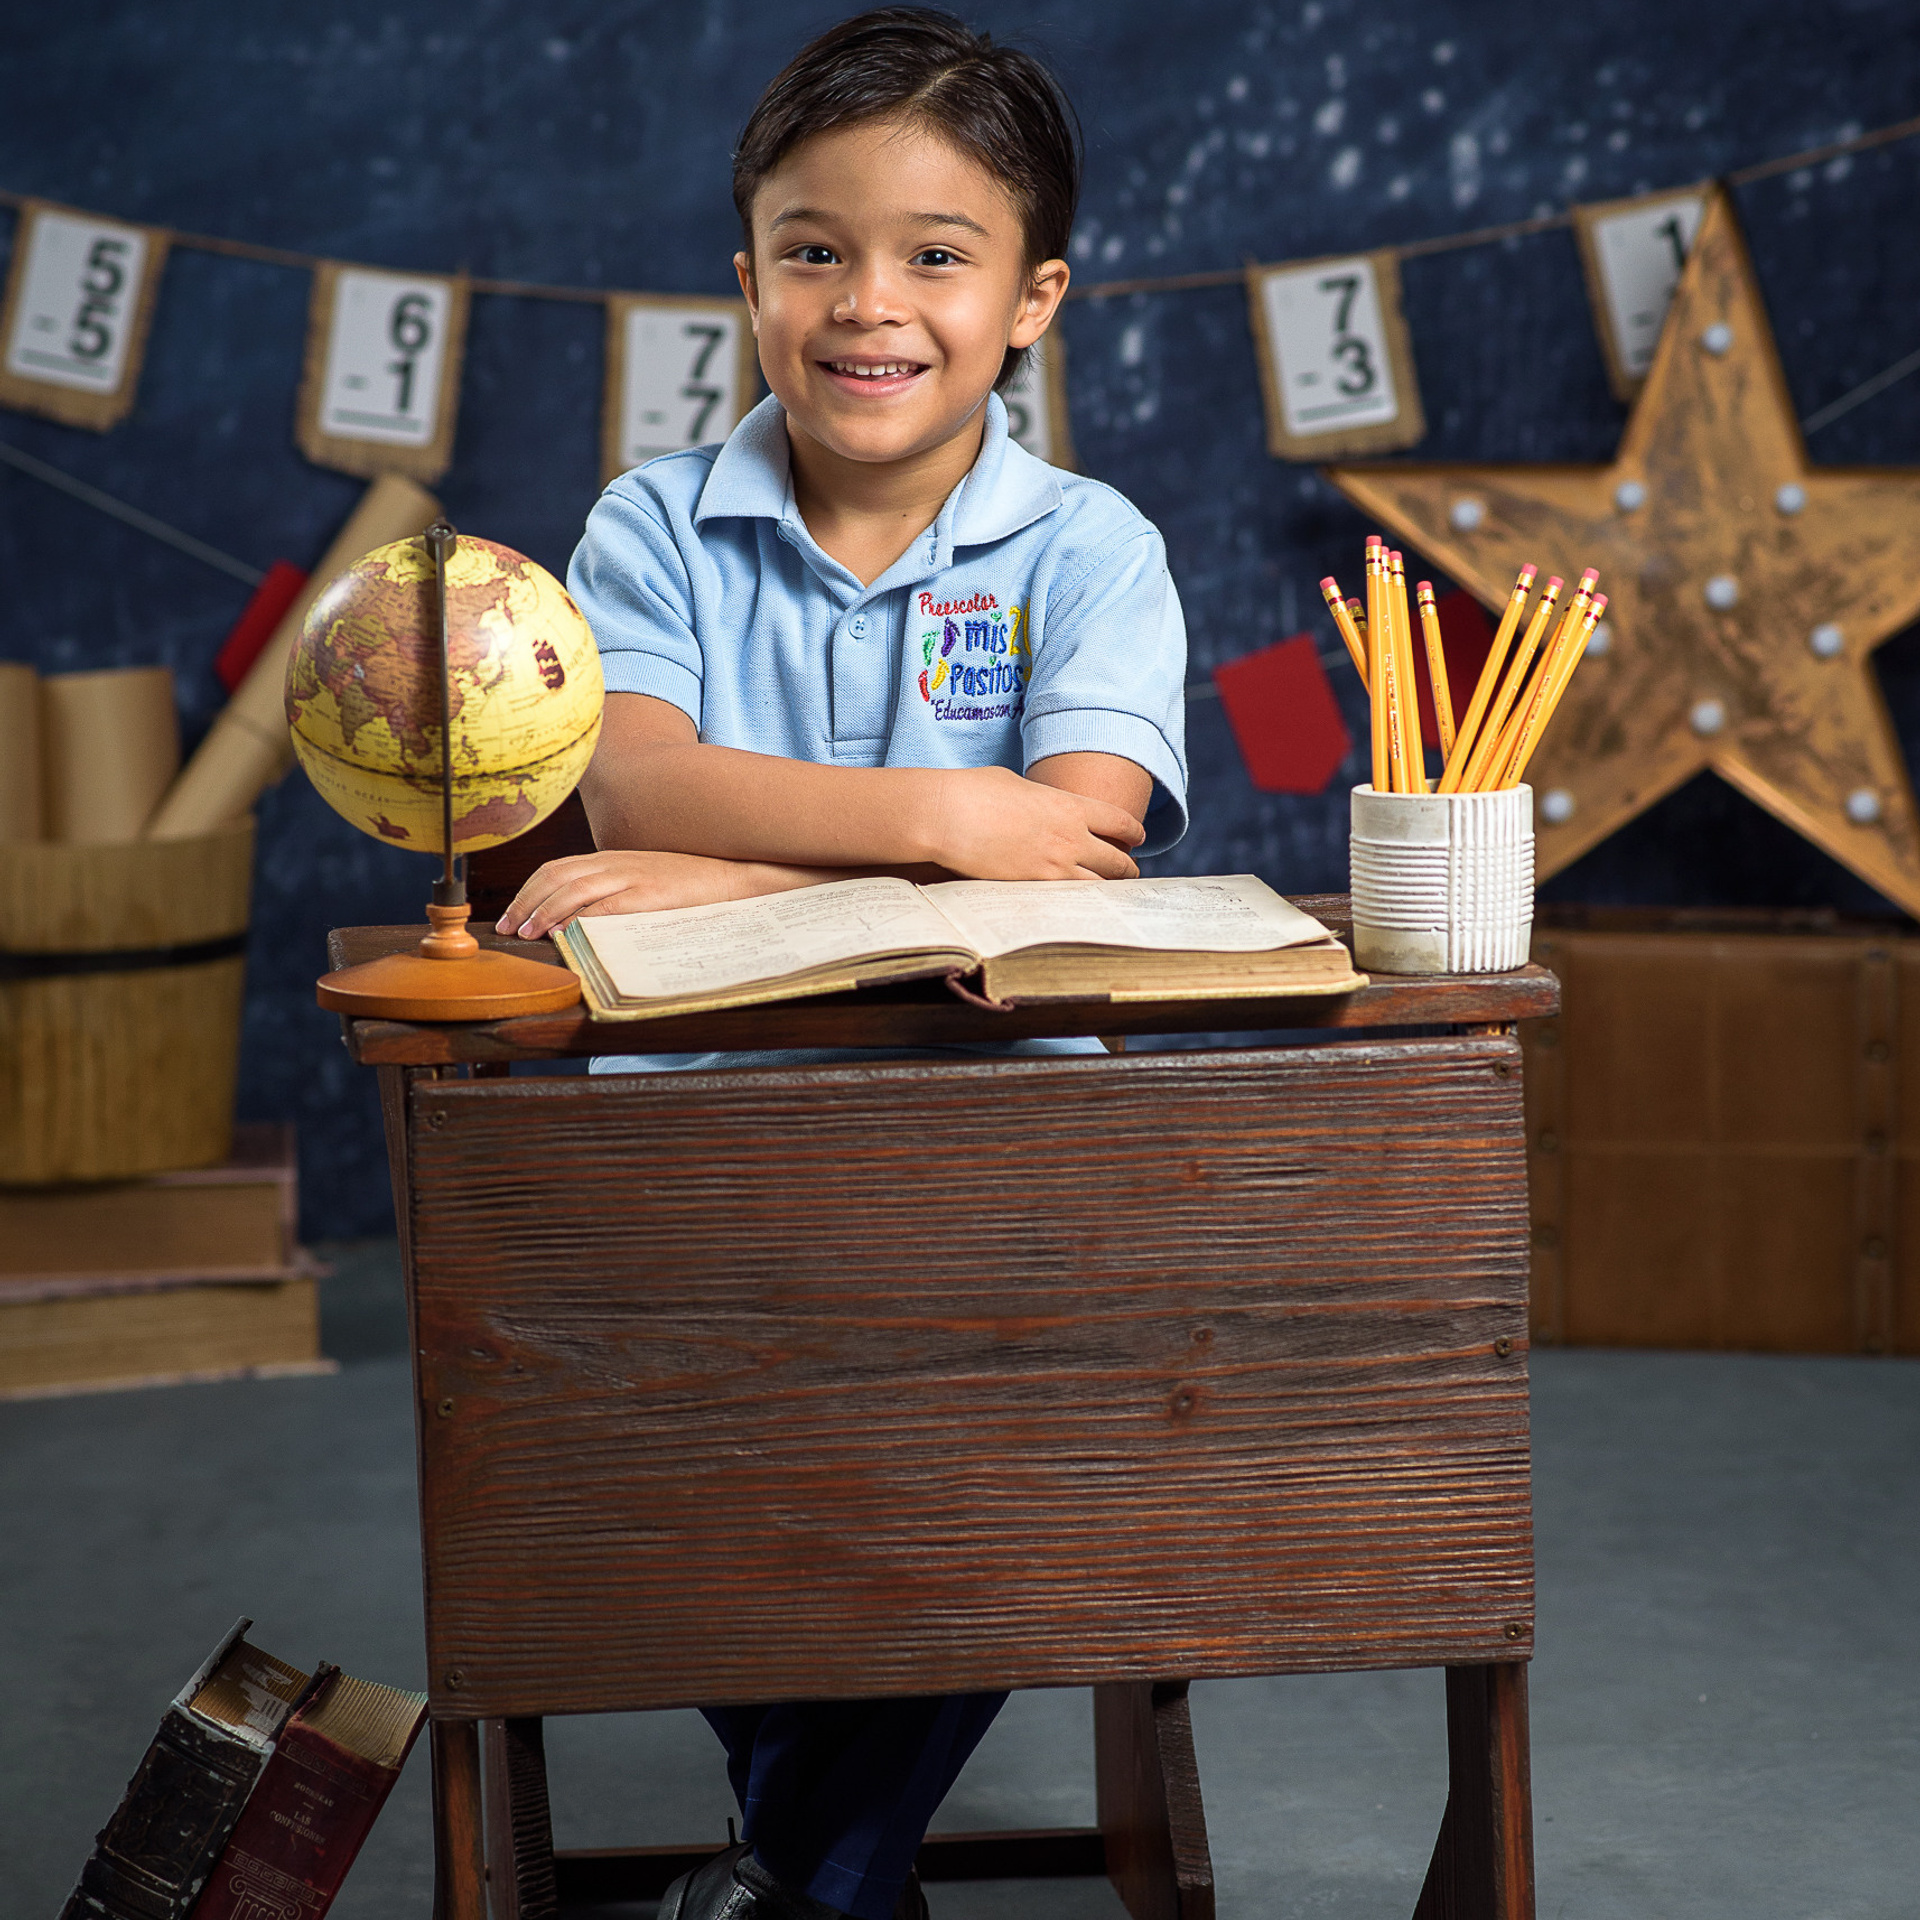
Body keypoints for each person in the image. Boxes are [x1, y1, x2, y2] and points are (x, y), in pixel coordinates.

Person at [499, 10, 1189, 1917]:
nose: (867, 305)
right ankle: (822, 1870)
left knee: (988, 1477)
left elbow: (1074, 847)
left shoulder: (1090, 548)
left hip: (999, 1174)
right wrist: (940, 820)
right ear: (747, 279)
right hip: (691, 1169)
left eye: (935, 256)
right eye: (815, 250)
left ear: (1034, 298)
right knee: (708, 1511)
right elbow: (627, 765)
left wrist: (723, 876)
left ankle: (800, 1878)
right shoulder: (653, 522)